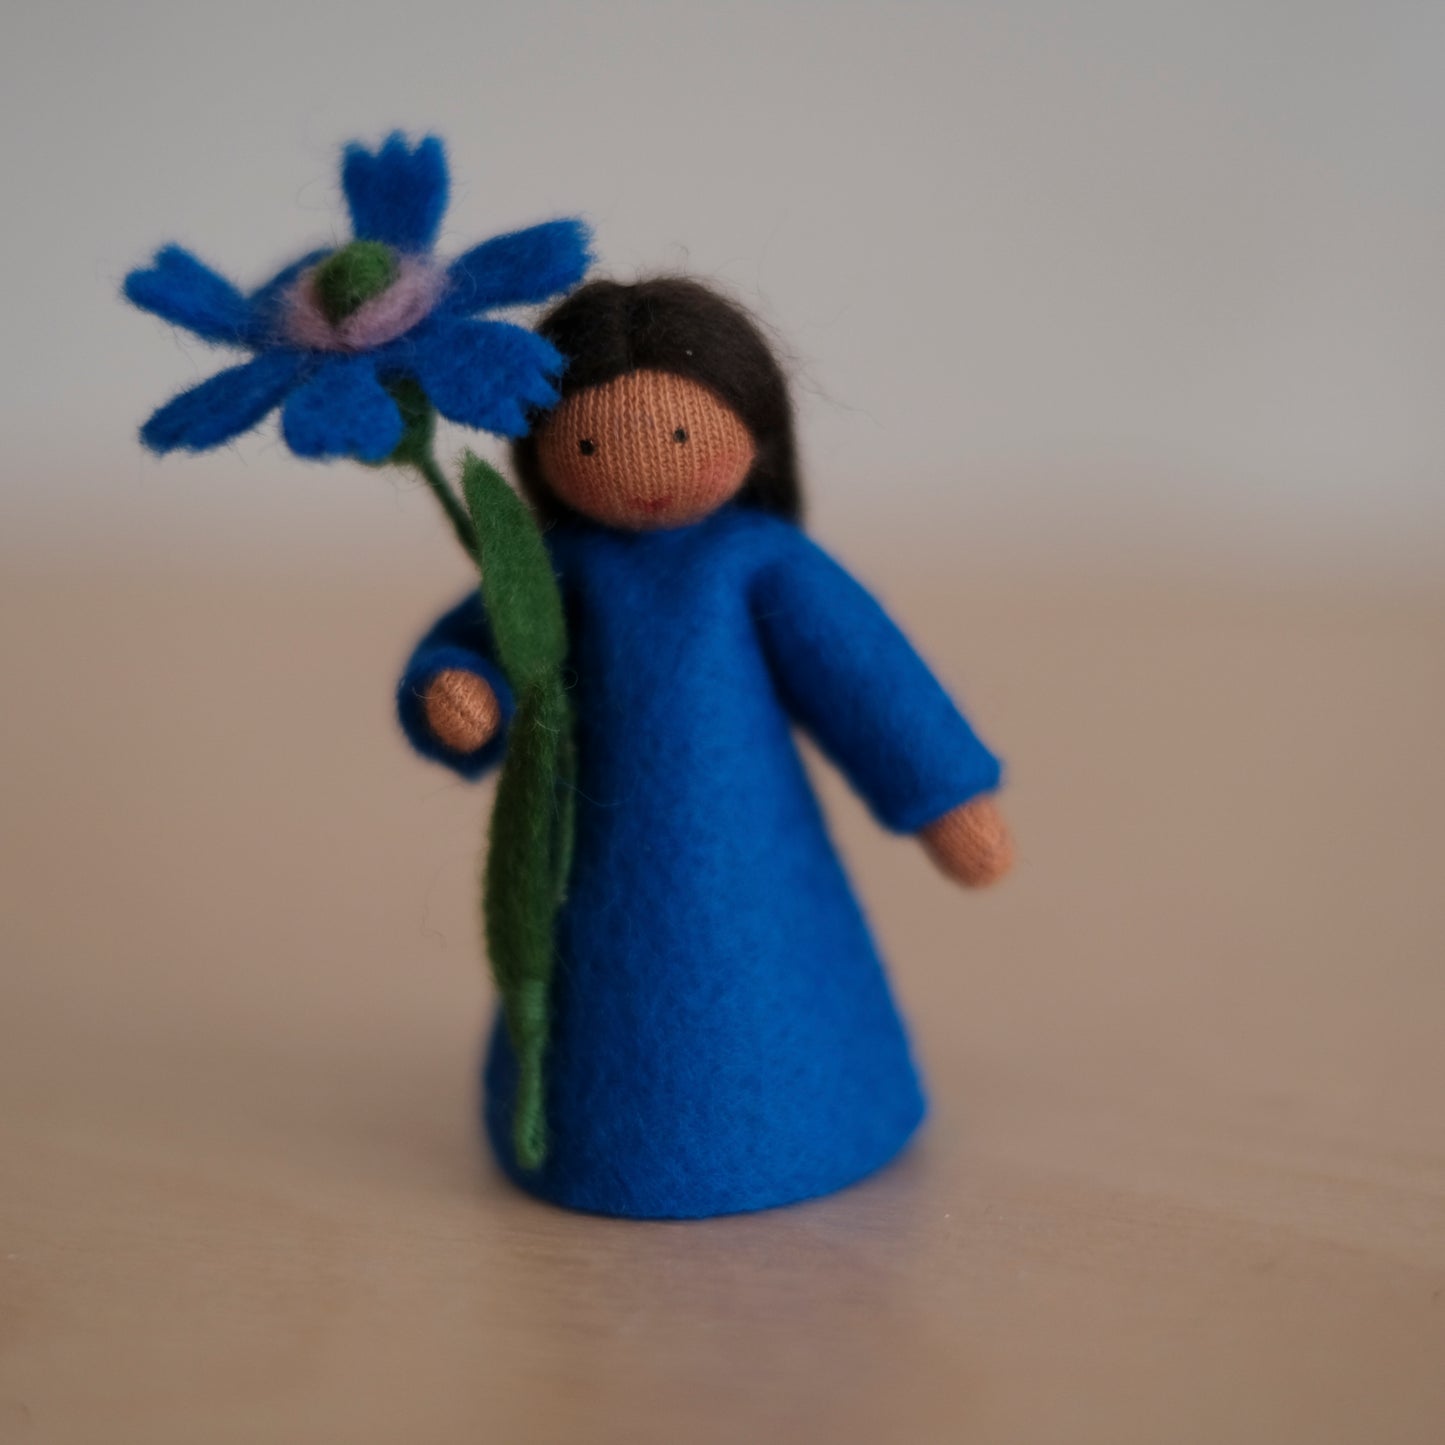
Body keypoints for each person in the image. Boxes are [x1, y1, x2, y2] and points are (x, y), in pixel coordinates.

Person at [397, 277, 1013, 1218]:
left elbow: (868, 680)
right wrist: (463, 692)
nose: (641, 467)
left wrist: (947, 801)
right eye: (589, 445)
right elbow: (472, 650)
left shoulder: (758, 564)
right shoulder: (558, 572)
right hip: (594, 853)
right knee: (605, 986)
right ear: (542, 452)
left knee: (764, 972)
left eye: (681, 434)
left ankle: (804, 1114)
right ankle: (600, 1133)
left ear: (751, 427)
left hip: (754, 854)